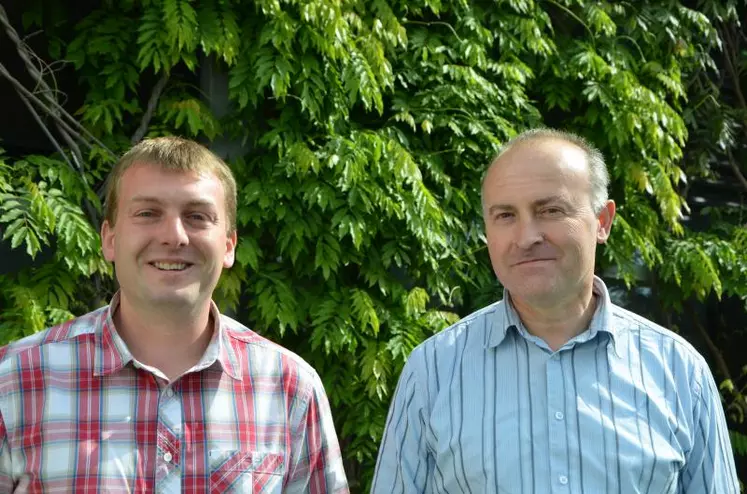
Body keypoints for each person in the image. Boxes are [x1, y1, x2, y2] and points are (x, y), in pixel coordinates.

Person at [371, 128, 739, 493]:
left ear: (602, 222)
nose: (527, 236)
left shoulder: (679, 373)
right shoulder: (433, 371)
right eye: (505, 215)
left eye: (550, 210)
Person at [0, 136, 349, 493]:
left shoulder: (289, 387)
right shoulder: (14, 381)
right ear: (110, 239)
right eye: (148, 213)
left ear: (229, 246)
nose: (174, 235)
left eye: (197, 216)